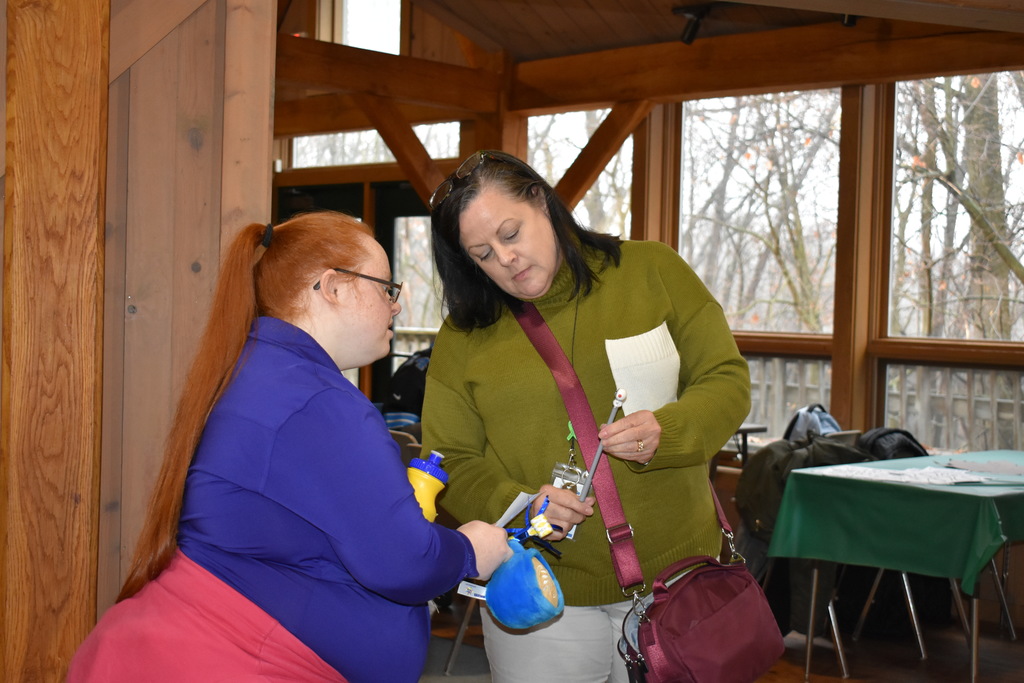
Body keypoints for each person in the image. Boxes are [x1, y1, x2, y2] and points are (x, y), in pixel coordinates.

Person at [68, 211, 510, 682]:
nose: (395, 306)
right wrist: (469, 550)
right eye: (387, 288)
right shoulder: (314, 398)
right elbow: (403, 561)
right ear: (334, 287)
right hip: (225, 658)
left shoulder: (262, 372)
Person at [422, 150, 751, 682]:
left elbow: (726, 379)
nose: (504, 259)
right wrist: (525, 502)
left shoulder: (650, 270)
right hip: (537, 590)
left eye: (511, 233)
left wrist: (667, 432)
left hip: (677, 582)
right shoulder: (464, 337)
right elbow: (449, 457)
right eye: (481, 253)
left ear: (542, 202)